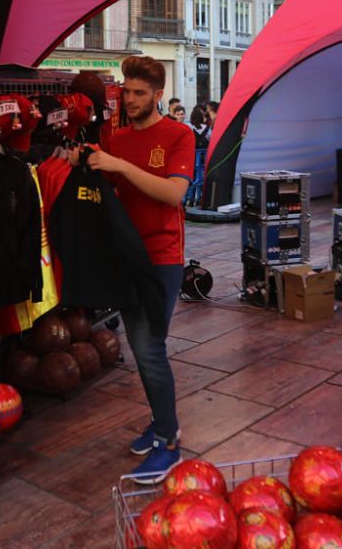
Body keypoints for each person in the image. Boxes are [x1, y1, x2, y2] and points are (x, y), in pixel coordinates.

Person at [83, 55, 194, 483]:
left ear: (158, 95)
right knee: (141, 348)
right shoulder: (116, 138)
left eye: (139, 93)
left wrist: (118, 166)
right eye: (126, 92)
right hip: (126, 257)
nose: (130, 99)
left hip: (163, 258)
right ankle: (161, 421)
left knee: (150, 349)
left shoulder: (179, 134)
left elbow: (173, 194)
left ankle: (169, 442)